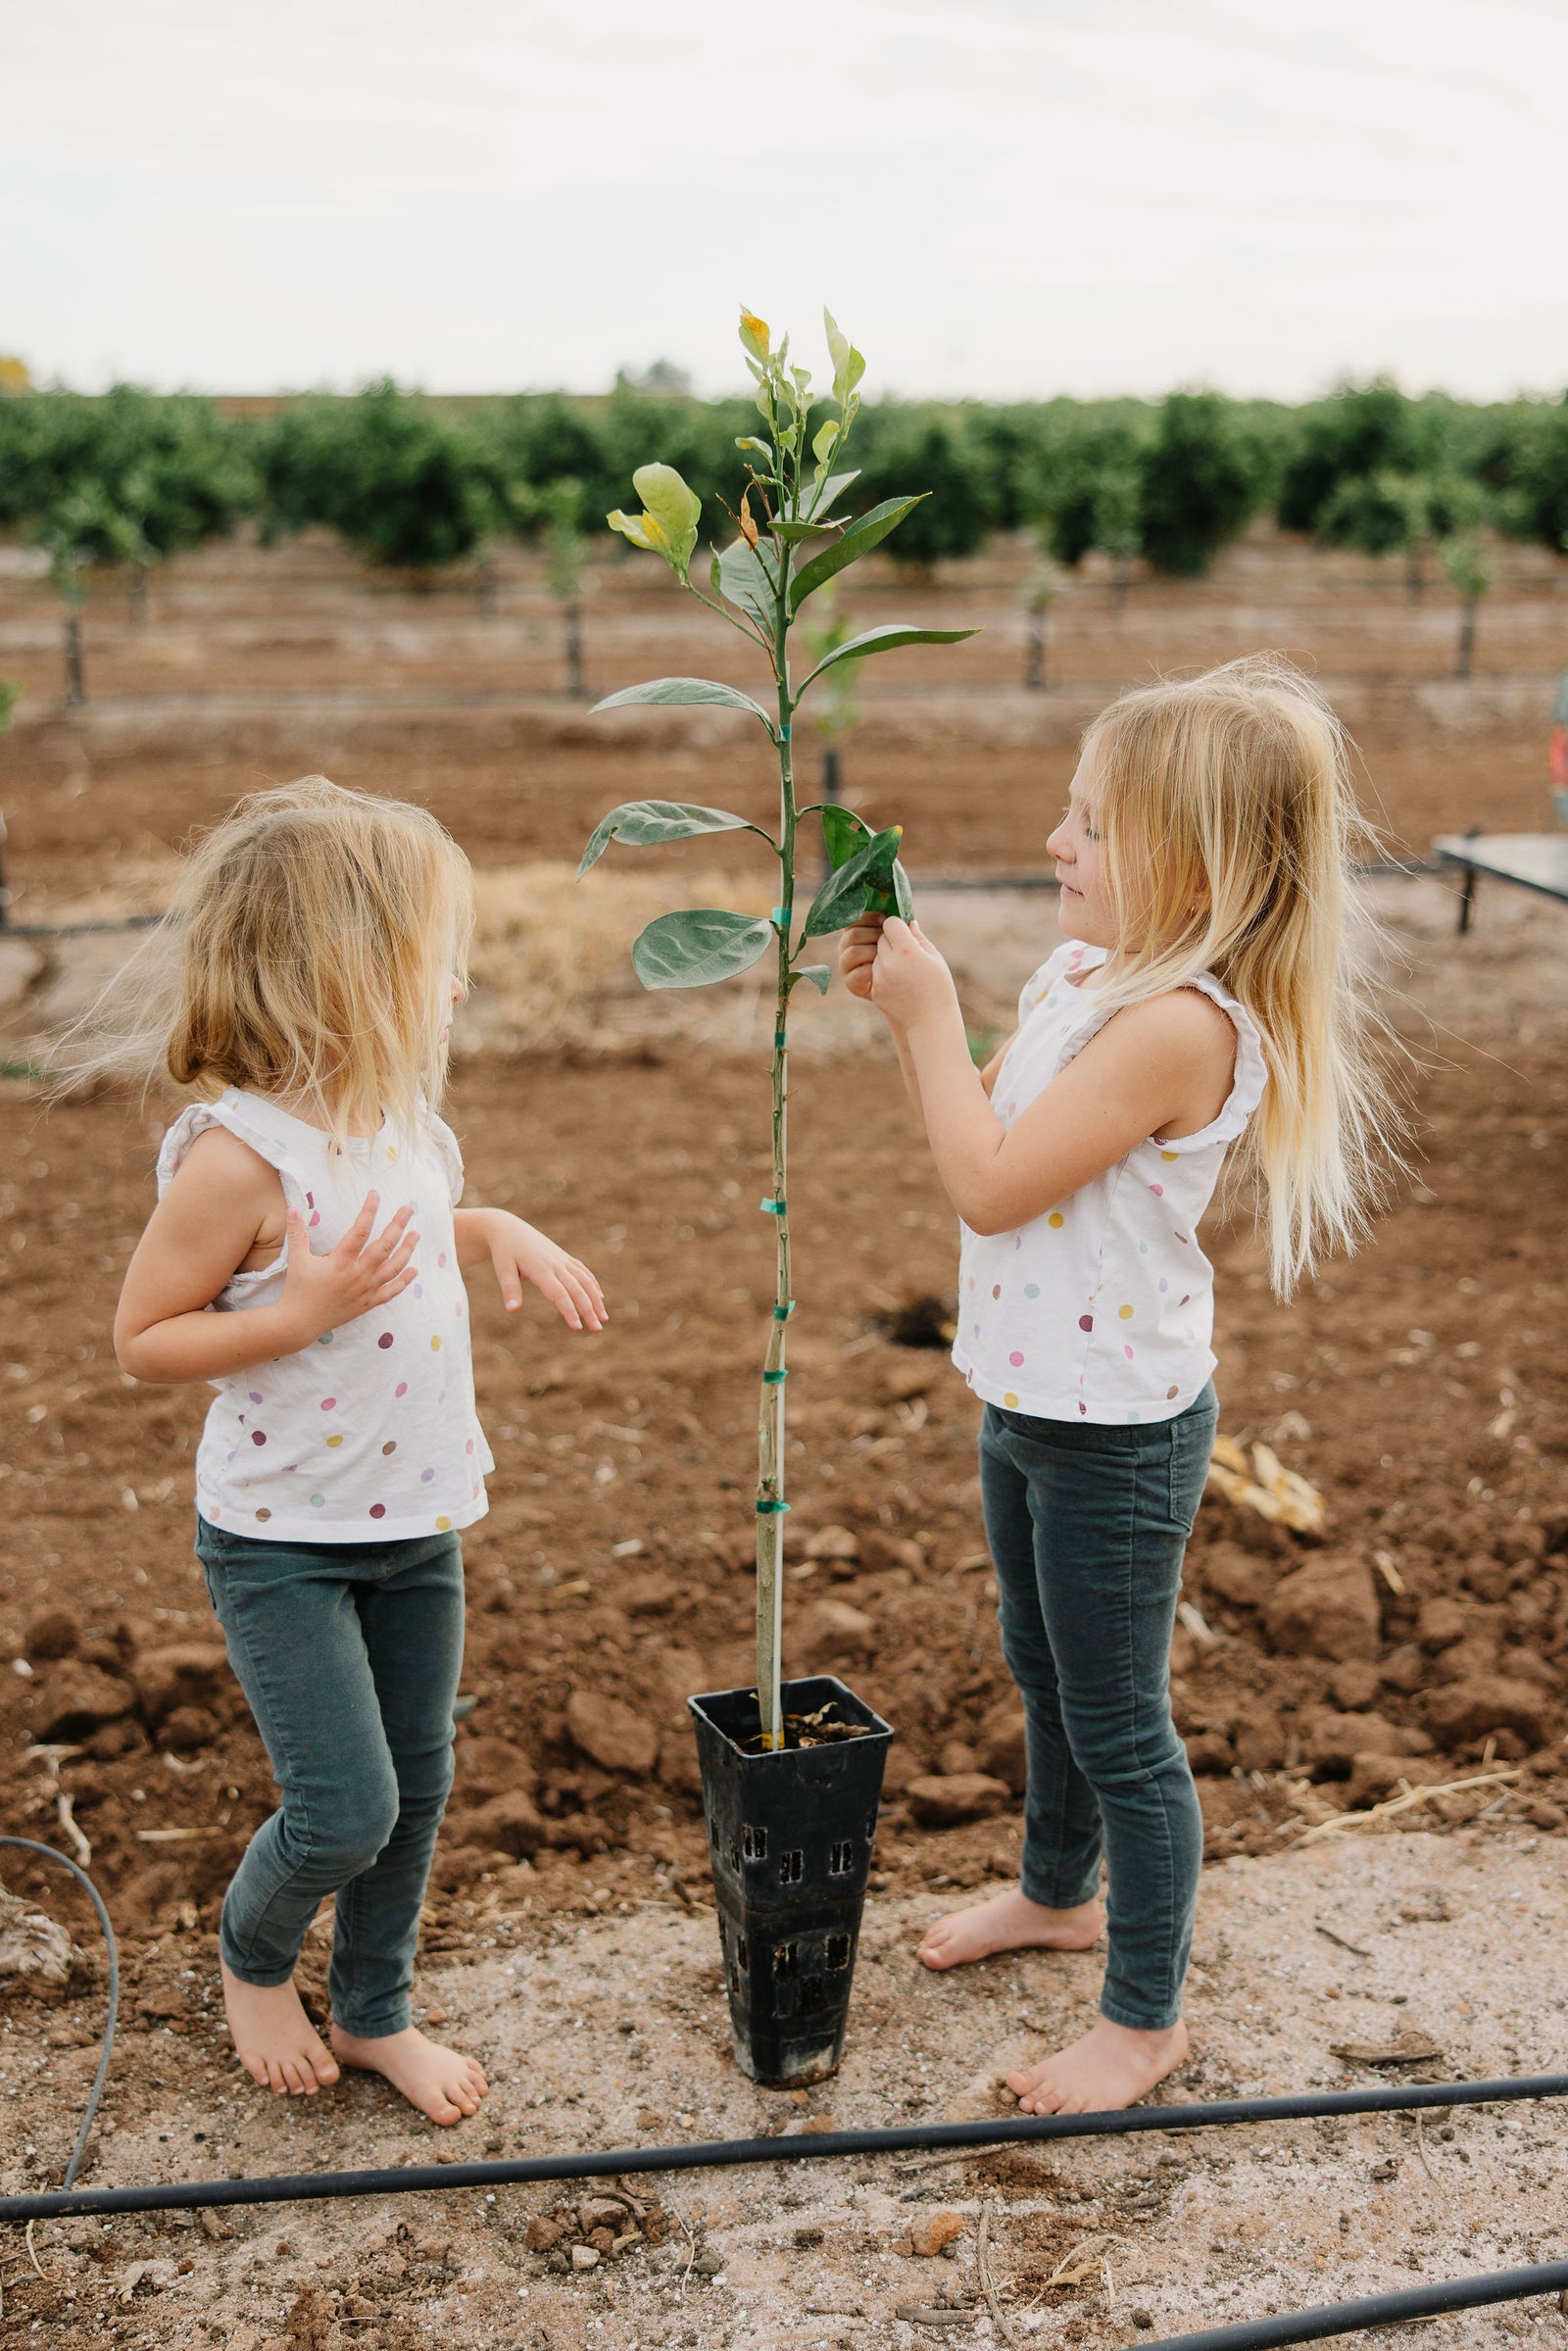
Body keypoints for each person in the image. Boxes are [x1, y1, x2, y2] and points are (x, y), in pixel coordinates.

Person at [841, 656, 1399, 2115]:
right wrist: (942, 1016)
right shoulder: (1089, 977)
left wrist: (918, 1019)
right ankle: (1056, 1892)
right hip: (1030, 1399)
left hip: (1117, 1438)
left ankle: (1144, 2020)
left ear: (1192, 861)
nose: (1055, 843)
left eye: (1091, 824)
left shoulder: (1182, 1025)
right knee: (1047, 1676)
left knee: (1122, 1729)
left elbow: (990, 1185)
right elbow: (1017, 1120)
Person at [85, 777, 606, 2126]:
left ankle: (375, 2010)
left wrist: (497, 1235)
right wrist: (301, 1311)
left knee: (419, 1785)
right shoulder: (237, 1161)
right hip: (283, 1542)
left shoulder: (393, 1124)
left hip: (413, 1520)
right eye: (440, 961)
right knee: (344, 1807)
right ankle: (254, 1960)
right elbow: (144, 1335)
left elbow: (415, 1232)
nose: (459, 986)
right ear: (345, 974)